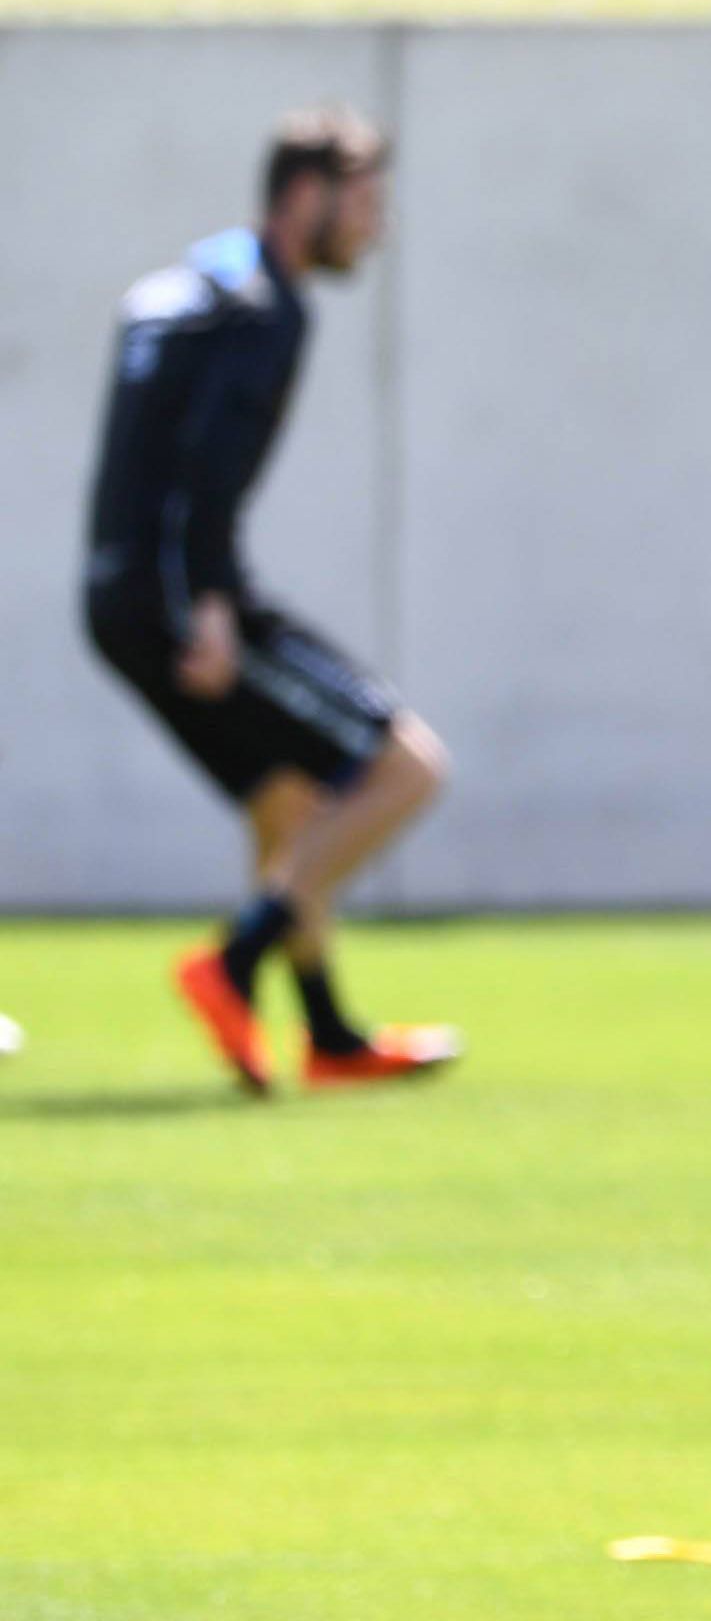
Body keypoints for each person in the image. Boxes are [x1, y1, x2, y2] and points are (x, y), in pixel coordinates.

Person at [84, 107, 457, 1095]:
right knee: (406, 766)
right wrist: (207, 600)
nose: (373, 226)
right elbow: (206, 467)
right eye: (364, 202)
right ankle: (237, 961)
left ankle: (328, 1036)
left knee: (291, 803)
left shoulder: (200, 281)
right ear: (305, 196)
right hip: (176, 590)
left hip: (120, 592)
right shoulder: (264, 305)